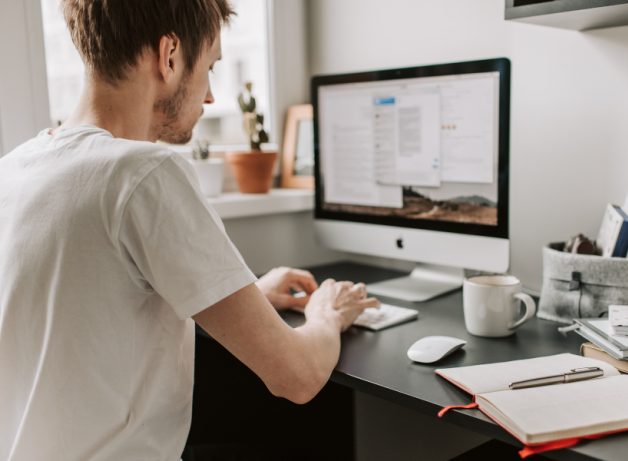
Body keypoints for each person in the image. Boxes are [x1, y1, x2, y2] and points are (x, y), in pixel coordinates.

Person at [0, 1, 379, 459]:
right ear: (170, 55)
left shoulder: (14, 170)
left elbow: (85, 315)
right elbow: (297, 377)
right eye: (211, 67)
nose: (211, 96)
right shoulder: (143, 173)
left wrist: (247, 295)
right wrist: (326, 315)